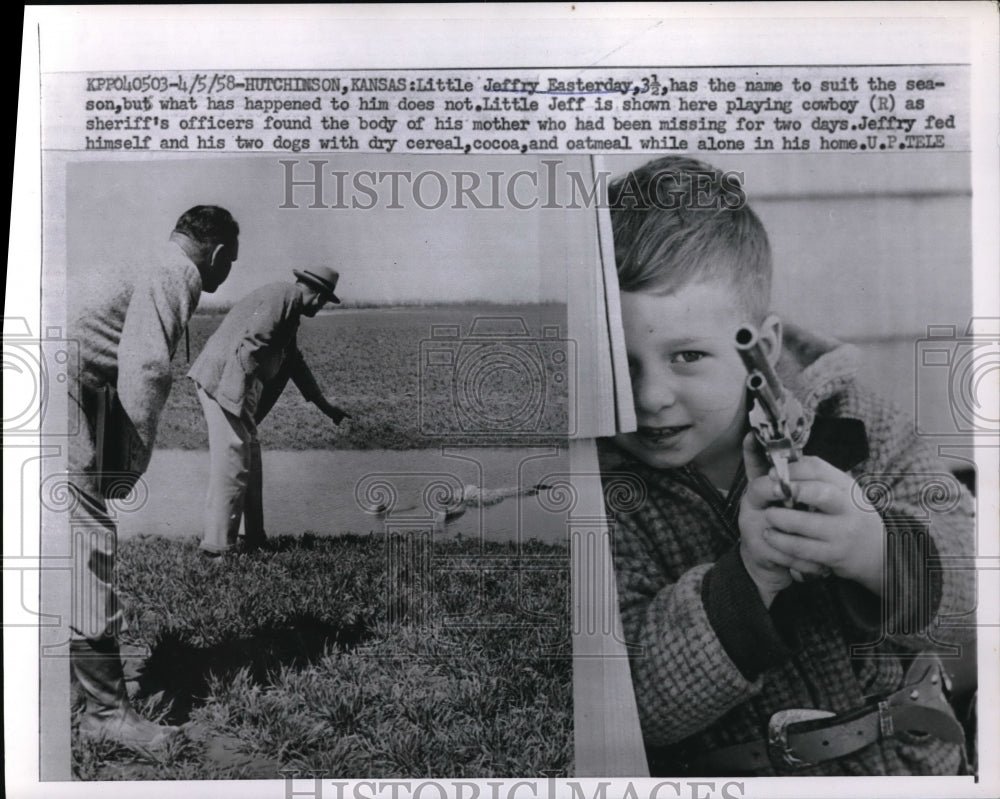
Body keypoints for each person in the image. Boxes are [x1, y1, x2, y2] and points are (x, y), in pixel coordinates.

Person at [598, 156, 975, 776]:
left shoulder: (855, 416)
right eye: (623, 362)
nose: (650, 397)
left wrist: (874, 547)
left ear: (762, 349)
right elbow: (638, 705)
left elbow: (973, 593)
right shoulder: (601, 492)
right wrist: (749, 578)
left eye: (687, 356)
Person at [67, 205, 240, 755]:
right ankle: (106, 713)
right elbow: (146, 367)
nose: (226, 271)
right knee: (87, 537)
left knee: (65, 542)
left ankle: (80, 687)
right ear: (215, 256)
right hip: (56, 385)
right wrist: (128, 467)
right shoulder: (178, 273)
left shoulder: (150, 258)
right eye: (229, 262)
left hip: (48, 379)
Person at [188, 267, 351, 557]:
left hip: (230, 380)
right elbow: (252, 344)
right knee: (234, 461)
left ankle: (254, 540)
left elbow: (294, 363)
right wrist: (240, 398)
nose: (322, 306)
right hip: (224, 381)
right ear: (317, 295)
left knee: (249, 459)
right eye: (325, 301)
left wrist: (327, 408)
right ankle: (218, 548)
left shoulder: (289, 306)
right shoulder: (285, 296)